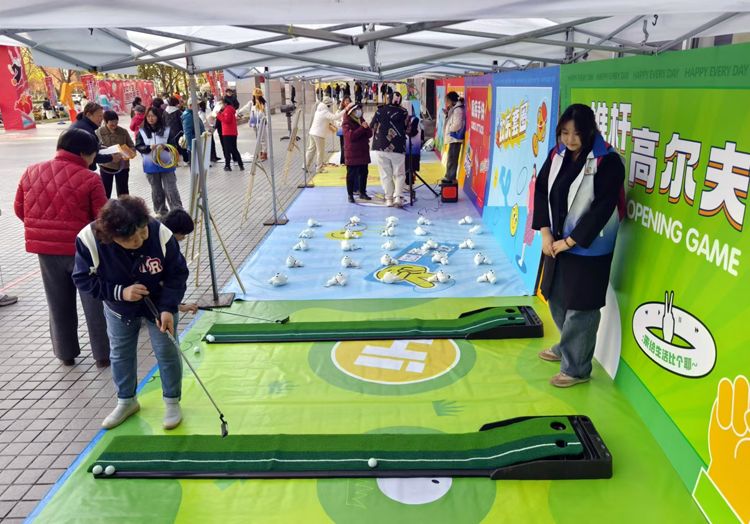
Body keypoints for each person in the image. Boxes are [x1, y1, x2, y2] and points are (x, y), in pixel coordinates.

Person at [73, 196, 189, 429]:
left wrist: (169, 308)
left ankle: (172, 401)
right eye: (131, 239)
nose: (140, 240)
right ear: (112, 238)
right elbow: (83, 278)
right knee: (120, 354)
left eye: (142, 232)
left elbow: (177, 273)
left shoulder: (160, 233)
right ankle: (126, 401)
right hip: (118, 309)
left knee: (167, 351)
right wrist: (120, 292)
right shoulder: (89, 239)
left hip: (160, 306)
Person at [532, 104, 625, 388]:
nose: (570, 139)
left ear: (590, 131)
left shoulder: (608, 161)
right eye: (564, 132)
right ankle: (568, 345)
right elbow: (541, 190)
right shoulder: (557, 154)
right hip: (556, 241)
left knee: (582, 308)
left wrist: (570, 241)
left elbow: (602, 208)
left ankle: (576, 368)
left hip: (589, 248)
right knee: (556, 297)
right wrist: (546, 234)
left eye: (577, 133)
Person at [14, 128, 110, 367]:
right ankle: (102, 354)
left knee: (58, 303)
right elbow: (102, 219)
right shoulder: (90, 178)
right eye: (93, 154)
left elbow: (20, 209)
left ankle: (65, 353)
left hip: (46, 252)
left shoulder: (31, 172)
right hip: (83, 250)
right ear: (83, 153)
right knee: (94, 302)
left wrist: (44, 232)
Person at [135, 107, 183, 216]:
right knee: (156, 191)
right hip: (150, 166)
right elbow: (138, 146)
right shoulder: (142, 131)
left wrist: (164, 146)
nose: (151, 118)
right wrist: (148, 148)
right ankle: (161, 213)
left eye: (153, 116)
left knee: (171, 189)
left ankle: (177, 211)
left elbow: (173, 145)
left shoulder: (167, 130)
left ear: (158, 117)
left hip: (167, 165)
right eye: (148, 116)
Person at [370, 92, 414, 207]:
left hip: (380, 146)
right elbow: (408, 129)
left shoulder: (379, 110)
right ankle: (398, 197)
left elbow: (372, 125)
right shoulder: (404, 112)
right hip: (398, 146)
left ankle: (388, 198)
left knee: (385, 174)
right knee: (399, 173)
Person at [161, 209, 199, 315]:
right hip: (160, 308)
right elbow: (163, 283)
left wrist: (177, 305)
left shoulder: (168, 244)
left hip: (165, 303)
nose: (184, 238)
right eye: (183, 234)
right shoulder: (164, 247)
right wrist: (175, 306)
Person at [69, 102, 120, 171]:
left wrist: (98, 147)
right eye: (99, 116)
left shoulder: (81, 124)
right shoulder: (85, 131)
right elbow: (91, 156)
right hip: (79, 168)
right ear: (89, 115)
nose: (102, 119)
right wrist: (111, 158)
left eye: (102, 116)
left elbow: (86, 147)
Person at [96, 110, 135, 198]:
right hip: (106, 166)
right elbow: (96, 148)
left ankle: (124, 206)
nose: (114, 124)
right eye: (111, 122)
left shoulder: (123, 131)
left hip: (123, 166)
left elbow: (132, 146)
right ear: (105, 121)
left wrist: (126, 154)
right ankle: (106, 206)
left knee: (123, 191)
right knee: (105, 191)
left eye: (116, 122)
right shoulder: (99, 132)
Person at [342, 102, 373, 203]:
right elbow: (351, 137)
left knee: (364, 173)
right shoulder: (346, 123)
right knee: (351, 175)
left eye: (359, 109)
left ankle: (362, 192)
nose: (359, 111)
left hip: (363, 151)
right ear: (351, 112)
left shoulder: (361, 119)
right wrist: (362, 128)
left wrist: (366, 128)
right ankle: (350, 195)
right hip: (352, 153)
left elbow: (369, 134)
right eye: (356, 110)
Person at [305, 96, 339, 174]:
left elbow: (325, 121)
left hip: (312, 132)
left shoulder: (319, 109)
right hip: (319, 135)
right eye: (330, 105)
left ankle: (306, 165)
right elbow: (335, 117)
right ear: (328, 105)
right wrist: (345, 110)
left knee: (311, 149)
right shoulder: (325, 111)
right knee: (320, 152)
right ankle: (319, 168)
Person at [440, 92, 466, 185]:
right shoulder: (453, 109)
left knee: (453, 158)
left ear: (451, 100)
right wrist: (447, 114)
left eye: (447, 100)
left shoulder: (458, 110)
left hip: (454, 138)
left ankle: (451, 177)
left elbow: (457, 124)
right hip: (452, 137)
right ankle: (448, 175)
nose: (446, 102)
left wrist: (449, 129)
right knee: (450, 157)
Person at [216, 95, 244, 171]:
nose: (221, 105)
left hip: (228, 133)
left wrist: (219, 115)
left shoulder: (228, 110)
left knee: (229, 149)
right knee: (232, 149)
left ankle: (229, 165)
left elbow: (227, 120)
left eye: (221, 103)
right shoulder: (229, 109)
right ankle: (237, 164)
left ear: (225, 103)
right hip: (231, 132)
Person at [181, 101, 205, 166]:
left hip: (196, 144)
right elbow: (188, 133)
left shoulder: (192, 114)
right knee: (195, 167)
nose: (199, 107)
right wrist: (192, 147)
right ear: (190, 106)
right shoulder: (188, 116)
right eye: (197, 105)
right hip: (193, 146)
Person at [164, 97, 186, 164]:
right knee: (180, 146)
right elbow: (182, 122)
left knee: (171, 147)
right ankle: (182, 160)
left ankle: (174, 161)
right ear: (176, 103)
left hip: (168, 133)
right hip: (178, 132)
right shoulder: (178, 112)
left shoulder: (165, 112)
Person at [337, 96, 352, 165]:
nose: (347, 102)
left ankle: (349, 160)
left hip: (350, 131)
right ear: (343, 102)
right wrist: (341, 123)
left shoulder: (352, 110)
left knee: (350, 146)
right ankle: (342, 161)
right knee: (343, 146)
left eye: (348, 100)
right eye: (346, 101)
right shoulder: (340, 111)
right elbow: (336, 120)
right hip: (343, 131)